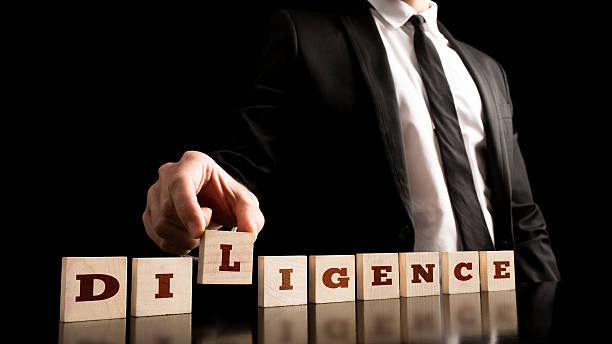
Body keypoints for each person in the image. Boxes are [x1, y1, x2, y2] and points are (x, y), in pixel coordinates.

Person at [142, 0, 560, 282]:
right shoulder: (303, 34)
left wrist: (544, 300)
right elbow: (241, 168)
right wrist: (199, 185)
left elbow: (521, 216)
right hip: (373, 310)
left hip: (498, 304)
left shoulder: (487, 69)